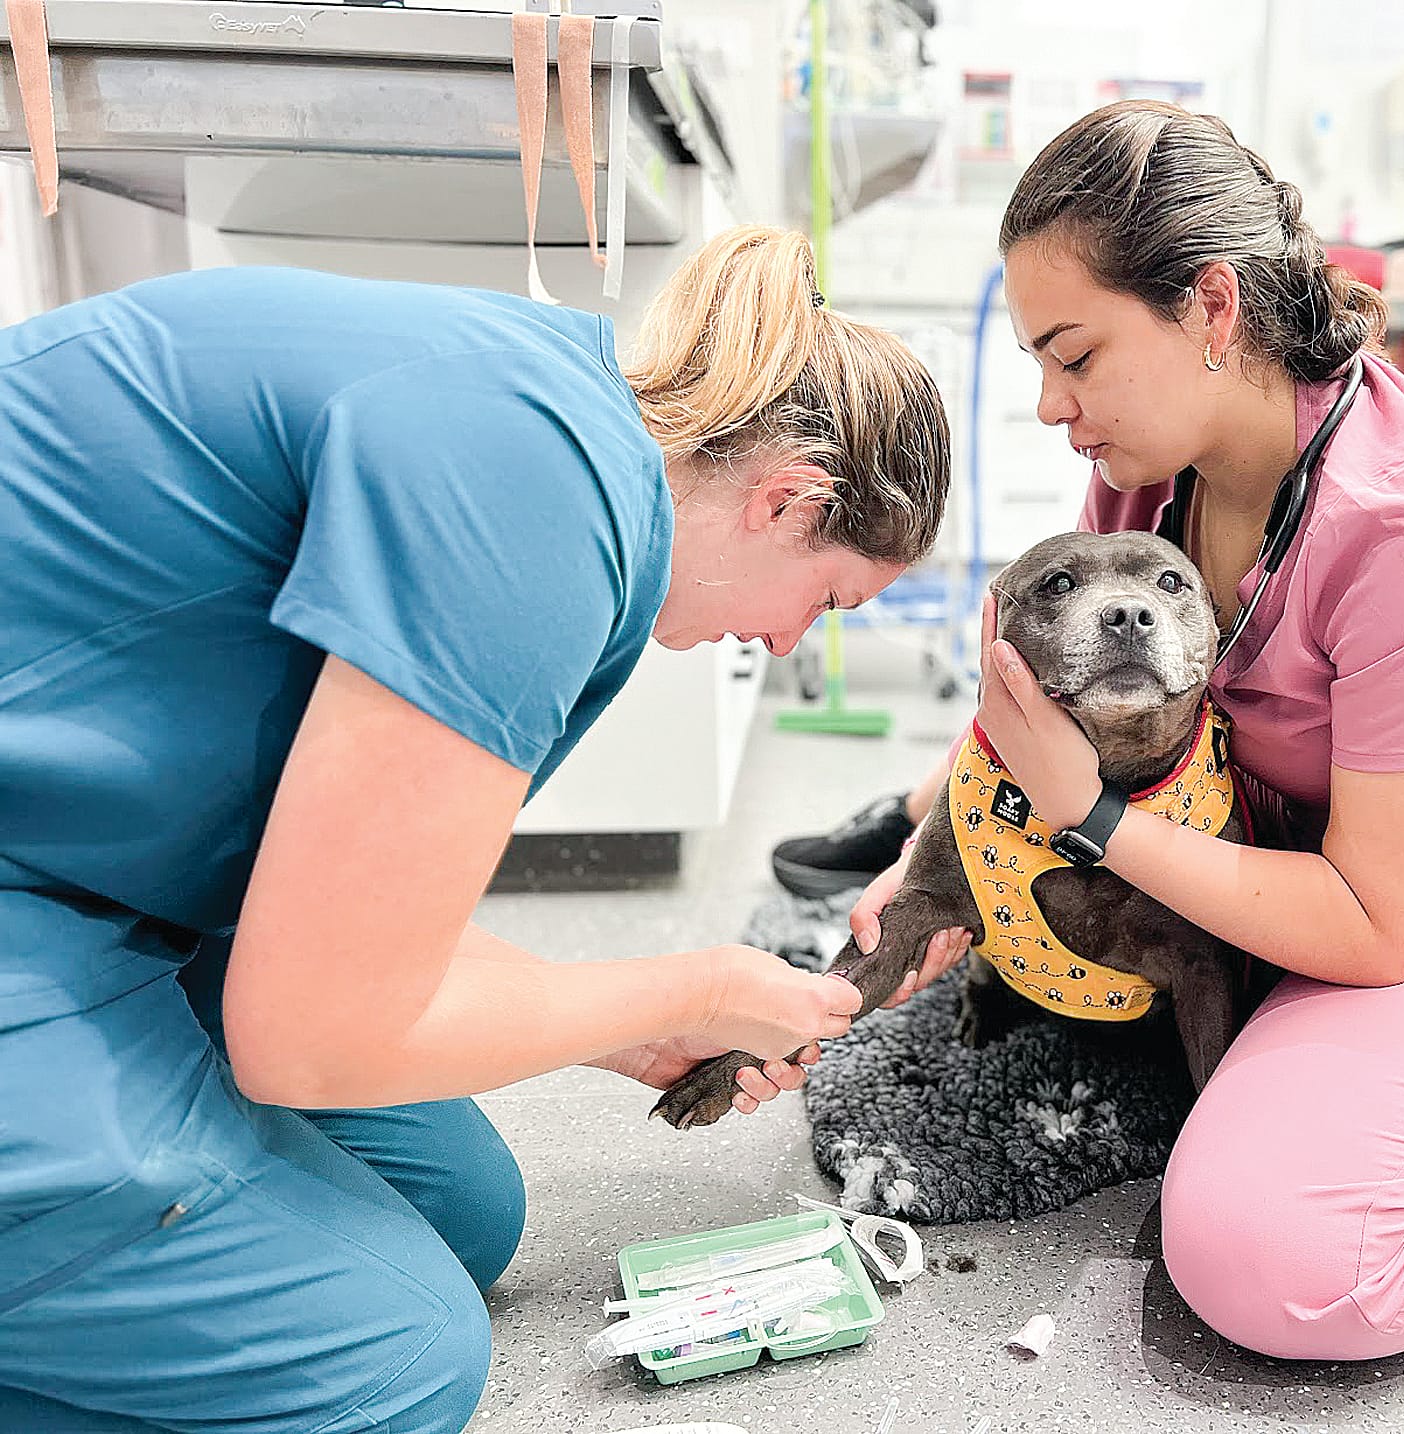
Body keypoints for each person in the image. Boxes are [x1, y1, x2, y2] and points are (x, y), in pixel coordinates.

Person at [779, 101, 1404, 1359]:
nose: (1055, 405)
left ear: (1212, 309)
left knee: (1264, 1260)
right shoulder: (1145, 473)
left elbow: (1381, 926)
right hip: (1284, 856)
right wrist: (943, 843)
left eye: (1075, 355)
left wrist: (1089, 820)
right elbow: (1051, 700)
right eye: (1038, 367)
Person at [0, 225, 949, 1431]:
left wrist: (623, 1022)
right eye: (825, 600)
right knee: (394, 1363)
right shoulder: (535, 498)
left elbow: (344, 914)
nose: (781, 645)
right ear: (785, 499)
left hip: (81, 852)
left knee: (464, 1208)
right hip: (37, 897)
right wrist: (680, 986)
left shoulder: (552, 414)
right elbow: (311, 1039)